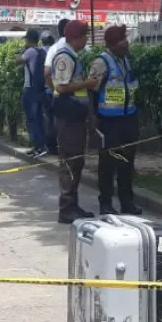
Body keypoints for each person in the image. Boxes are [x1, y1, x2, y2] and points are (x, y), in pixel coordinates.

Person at [88, 25, 142, 215]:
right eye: (121, 40)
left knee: (127, 163)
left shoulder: (125, 60)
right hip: (109, 122)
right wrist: (92, 117)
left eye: (125, 38)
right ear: (112, 44)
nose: (126, 42)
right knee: (108, 165)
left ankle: (127, 203)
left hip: (128, 119)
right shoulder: (101, 63)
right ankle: (106, 204)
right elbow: (90, 91)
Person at [50, 20, 101, 224]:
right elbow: (61, 87)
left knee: (76, 161)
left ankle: (73, 205)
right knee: (70, 162)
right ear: (75, 38)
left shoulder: (73, 56)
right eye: (85, 36)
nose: (86, 40)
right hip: (68, 118)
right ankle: (66, 208)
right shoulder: (64, 56)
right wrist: (87, 84)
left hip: (75, 117)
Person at [14, 29, 48, 157]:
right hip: (39, 89)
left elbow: (17, 61)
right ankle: (40, 146)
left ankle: (39, 147)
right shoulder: (42, 51)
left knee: (32, 120)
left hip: (30, 89)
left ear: (29, 40)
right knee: (39, 118)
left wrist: (23, 50)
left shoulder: (29, 51)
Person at [40, 31, 58, 155]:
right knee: (57, 118)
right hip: (58, 89)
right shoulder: (57, 51)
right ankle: (56, 144)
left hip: (46, 89)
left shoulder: (40, 52)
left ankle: (49, 146)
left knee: (48, 119)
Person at [44, 18, 70, 90]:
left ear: (58, 32)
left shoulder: (53, 48)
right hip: (81, 95)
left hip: (59, 95)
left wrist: (54, 89)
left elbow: (47, 73)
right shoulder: (82, 47)